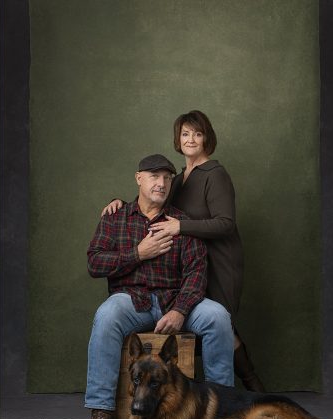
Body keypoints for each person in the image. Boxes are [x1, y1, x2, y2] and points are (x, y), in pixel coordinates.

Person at [101, 110, 264, 392]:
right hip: (188, 262)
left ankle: (252, 388)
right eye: (186, 133)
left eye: (197, 134)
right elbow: (153, 201)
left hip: (219, 261)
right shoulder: (178, 177)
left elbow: (226, 223)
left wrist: (180, 227)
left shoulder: (215, 174)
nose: (191, 139)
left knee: (221, 323)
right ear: (178, 138)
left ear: (206, 139)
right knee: (212, 323)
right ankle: (235, 391)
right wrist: (120, 202)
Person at [84, 154, 234, 419]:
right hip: (131, 300)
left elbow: (196, 272)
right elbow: (95, 263)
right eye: (154, 176)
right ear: (139, 178)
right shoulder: (116, 218)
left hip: (175, 300)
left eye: (167, 177)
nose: (161, 183)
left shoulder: (182, 222)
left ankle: (222, 408)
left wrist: (180, 310)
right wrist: (139, 253)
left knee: (217, 316)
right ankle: (101, 411)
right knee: (106, 315)